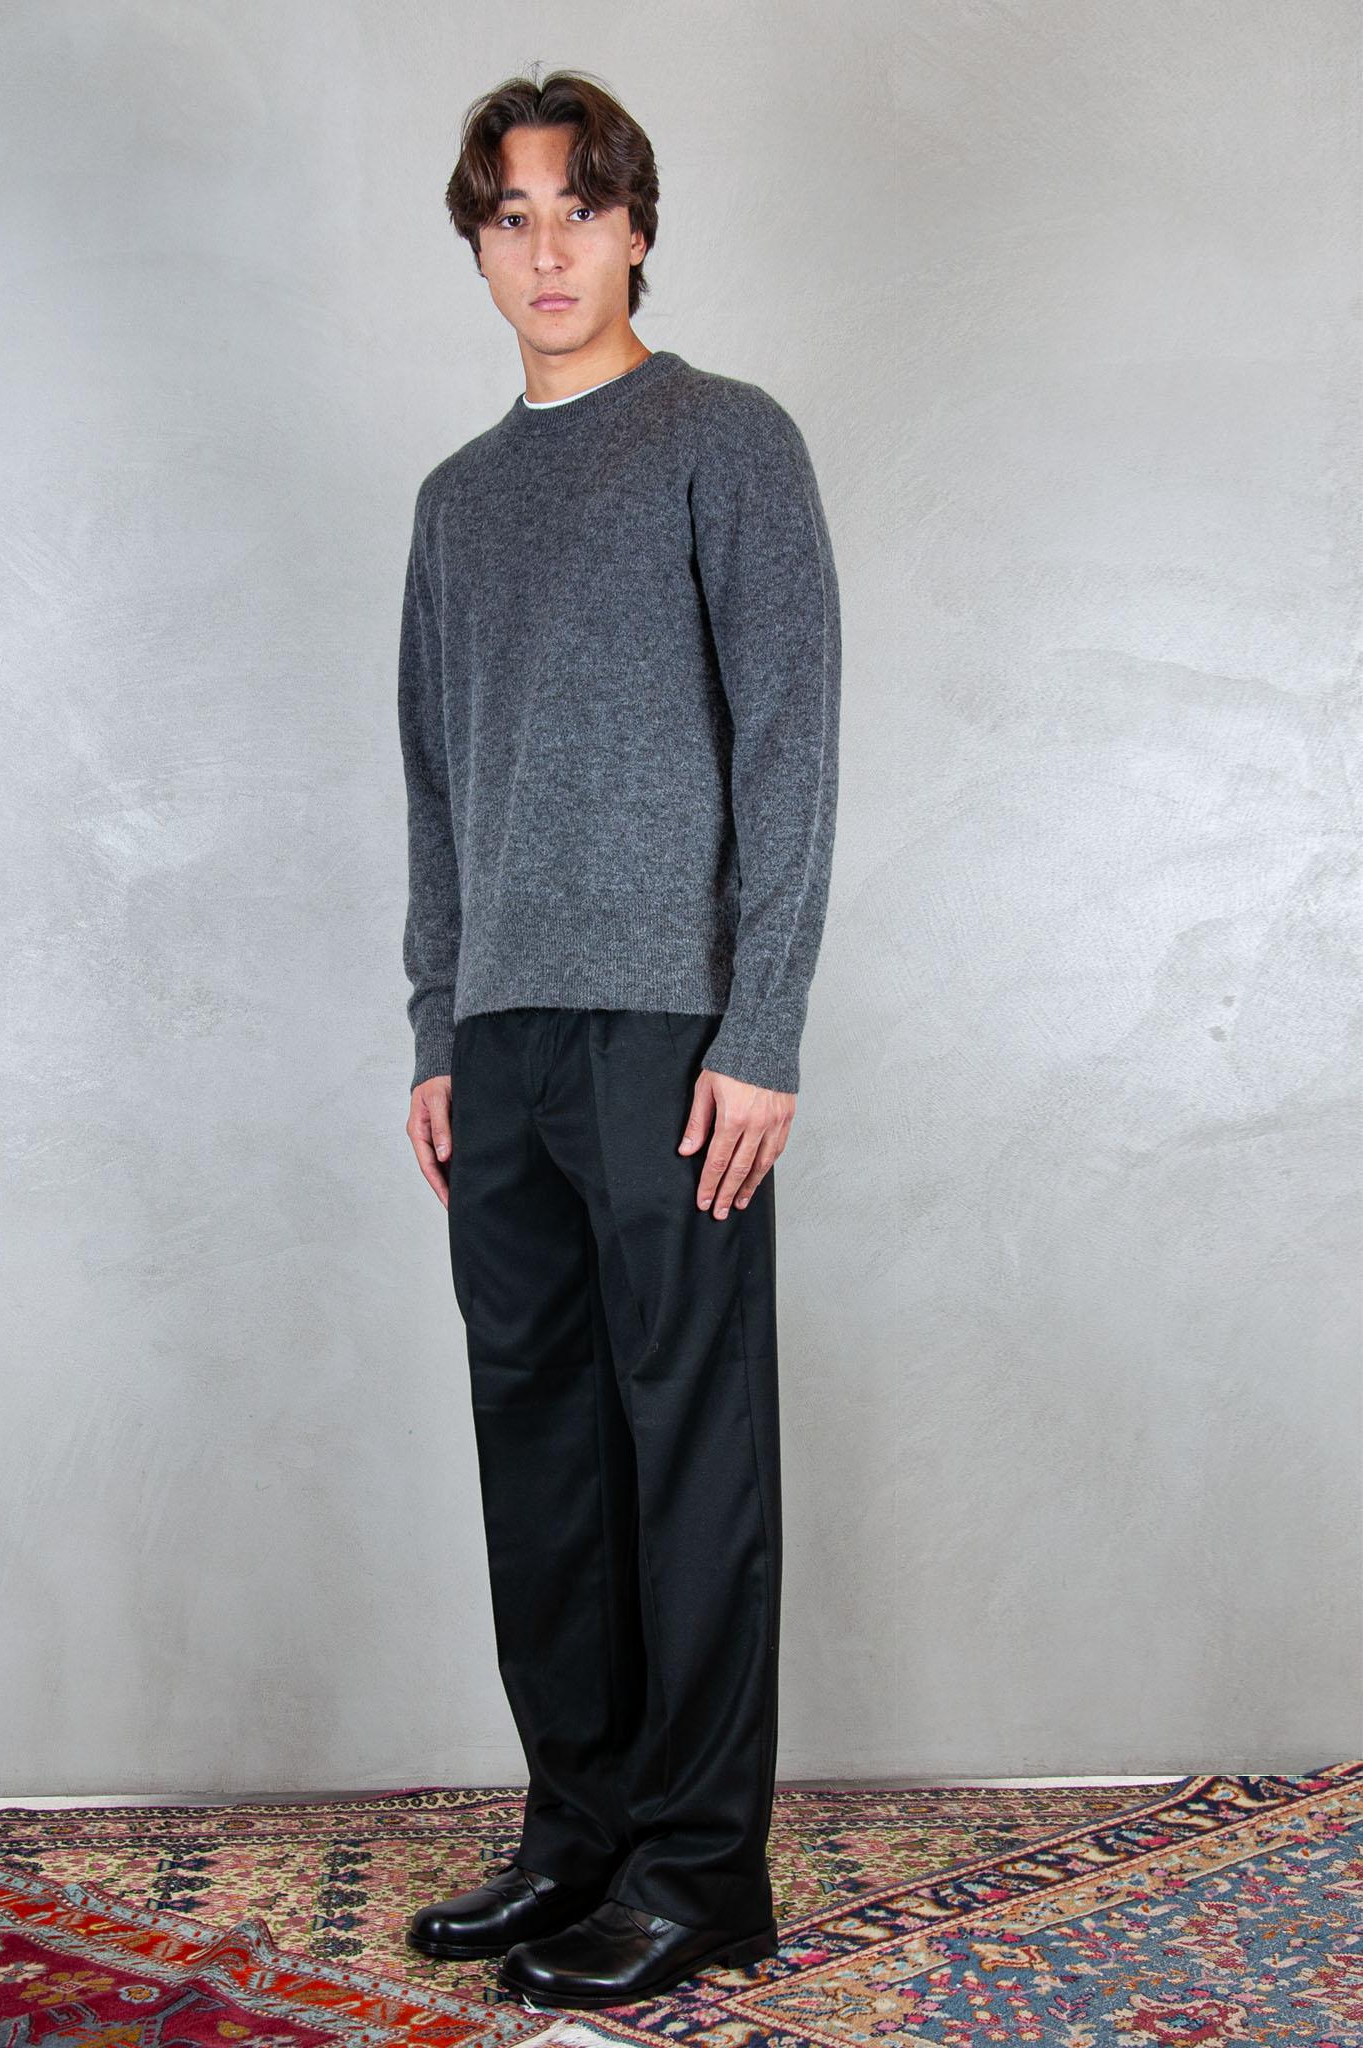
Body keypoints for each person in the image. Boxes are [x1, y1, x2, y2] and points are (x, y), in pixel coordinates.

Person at [394, 66, 841, 2013]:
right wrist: (437, 1023)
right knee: (543, 1449)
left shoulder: (723, 442)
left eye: (578, 208)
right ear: (478, 244)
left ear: (636, 226)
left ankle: (698, 1870)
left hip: (674, 1033)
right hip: (499, 1042)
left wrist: (763, 1024)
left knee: (688, 1451)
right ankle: (575, 1829)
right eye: (510, 216)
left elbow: (790, 744)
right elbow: (434, 784)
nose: (547, 248)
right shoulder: (455, 502)